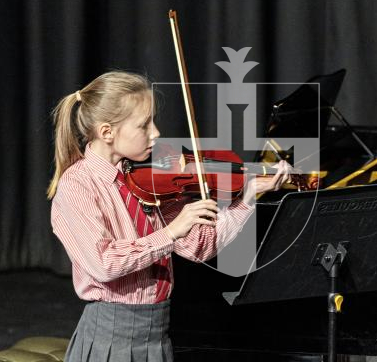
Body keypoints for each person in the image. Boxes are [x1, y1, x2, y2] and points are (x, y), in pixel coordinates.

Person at [47, 71, 293, 362]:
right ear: (106, 132)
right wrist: (170, 232)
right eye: (143, 125)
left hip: (158, 332)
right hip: (111, 337)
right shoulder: (77, 186)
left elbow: (201, 246)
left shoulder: (150, 180)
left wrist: (248, 194)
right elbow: (104, 263)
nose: (156, 133)